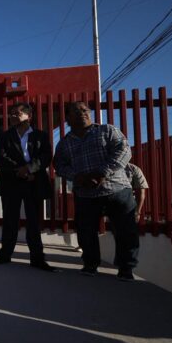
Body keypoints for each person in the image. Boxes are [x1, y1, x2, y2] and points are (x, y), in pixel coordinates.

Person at [53, 101, 139, 281]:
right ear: (67, 118)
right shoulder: (64, 143)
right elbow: (59, 165)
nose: (82, 113)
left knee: (125, 231)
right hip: (85, 194)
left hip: (117, 190)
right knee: (86, 232)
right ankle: (90, 264)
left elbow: (124, 151)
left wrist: (102, 173)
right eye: (76, 111)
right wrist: (78, 177)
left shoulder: (107, 130)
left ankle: (126, 269)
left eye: (85, 110)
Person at [0, 102, 56, 271]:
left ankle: (37, 258)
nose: (13, 115)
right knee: (9, 220)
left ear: (29, 116)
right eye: (11, 113)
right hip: (11, 182)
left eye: (18, 113)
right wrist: (19, 171)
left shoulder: (41, 135)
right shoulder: (3, 136)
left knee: (34, 222)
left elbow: (46, 156)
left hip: (34, 181)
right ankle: (5, 254)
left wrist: (29, 169)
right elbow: (1, 157)